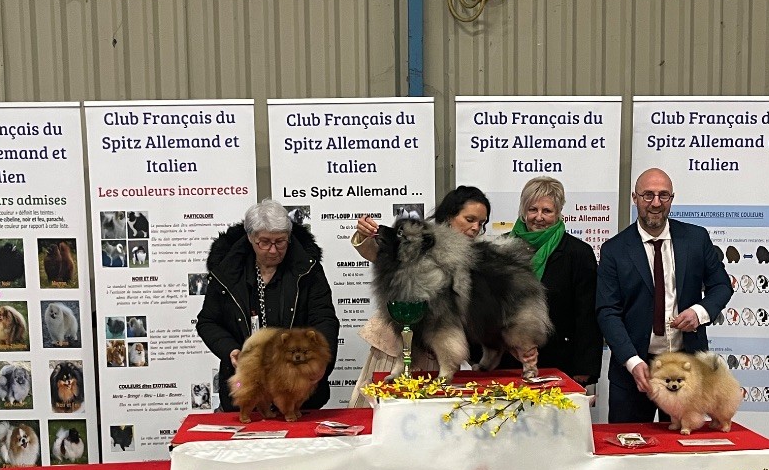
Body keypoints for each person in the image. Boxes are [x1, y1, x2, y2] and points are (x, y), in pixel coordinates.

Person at [596, 167, 732, 423]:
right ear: (635, 198)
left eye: (663, 195)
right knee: (632, 452)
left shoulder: (696, 238)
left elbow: (722, 286)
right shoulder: (614, 250)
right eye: (648, 195)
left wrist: (699, 313)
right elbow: (607, 312)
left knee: (685, 451)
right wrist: (632, 361)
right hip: (635, 372)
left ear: (672, 198)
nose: (655, 203)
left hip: (687, 370)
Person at [348, 186, 491, 407]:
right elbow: (375, 251)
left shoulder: (477, 255)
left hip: (439, 352)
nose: (475, 228)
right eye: (470, 219)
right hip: (393, 348)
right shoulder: (415, 237)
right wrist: (364, 235)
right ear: (449, 215)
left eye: (481, 224)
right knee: (378, 415)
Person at [197, 199, 340, 412]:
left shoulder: (308, 270)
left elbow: (324, 320)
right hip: (245, 385)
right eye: (264, 242)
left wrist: (320, 363)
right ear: (250, 238)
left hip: (298, 391)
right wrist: (231, 350)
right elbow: (208, 322)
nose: (273, 250)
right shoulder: (227, 271)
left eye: (280, 242)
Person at [503, 176, 603, 386]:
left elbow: (587, 315)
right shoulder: (502, 249)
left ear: (558, 213)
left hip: (559, 364)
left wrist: (584, 369)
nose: (539, 217)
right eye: (532, 209)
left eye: (547, 211)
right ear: (523, 210)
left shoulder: (578, 253)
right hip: (507, 362)